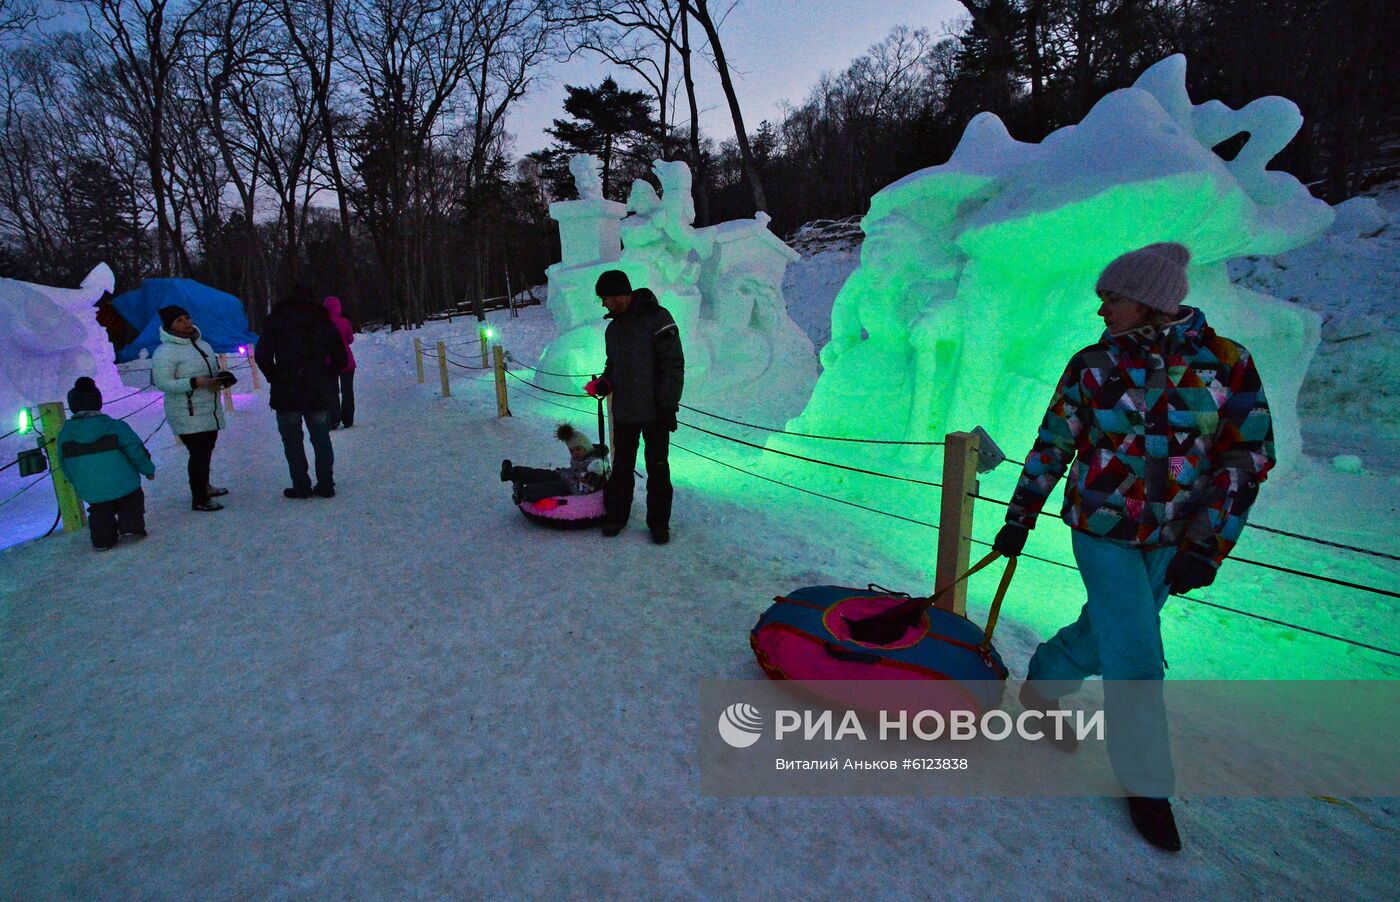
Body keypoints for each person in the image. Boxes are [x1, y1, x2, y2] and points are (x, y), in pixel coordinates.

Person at [992, 242, 1275, 852]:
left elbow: (1245, 458)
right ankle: (1147, 785)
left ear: (1149, 300)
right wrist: (1020, 516)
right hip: (1100, 529)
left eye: (1111, 299)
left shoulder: (1227, 364)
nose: (1102, 312)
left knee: (1113, 632)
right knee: (1138, 659)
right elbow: (1051, 444)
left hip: (1174, 538)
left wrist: (1209, 545)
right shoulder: (1093, 364)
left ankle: (1045, 679)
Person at [584, 272, 684, 544]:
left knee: (658, 468)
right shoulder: (613, 329)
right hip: (626, 412)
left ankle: (659, 524)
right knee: (621, 467)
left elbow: (673, 365)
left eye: (605, 298)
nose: (603, 304)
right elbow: (613, 366)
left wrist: (668, 405)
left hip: (655, 413)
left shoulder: (658, 318)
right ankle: (616, 516)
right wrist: (604, 383)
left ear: (619, 294)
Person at [255, 284, 348, 499]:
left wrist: (275, 376)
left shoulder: (276, 322)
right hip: (316, 388)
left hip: (286, 390)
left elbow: (262, 355)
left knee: (292, 441)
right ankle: (326, 484)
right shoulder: (323, 322)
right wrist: (325, 374)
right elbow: (340, 357)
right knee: (321, 438)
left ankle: (301, 485)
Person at [54, 377, 156, 550]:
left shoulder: (64, 436)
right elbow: (136, 451)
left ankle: (103, 539)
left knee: (100, 510)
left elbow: (65, 464)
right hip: (125, 483)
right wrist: (148, 469)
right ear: (98, 402)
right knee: (131, 501)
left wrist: (78, 483)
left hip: (92, 488)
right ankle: (131, 528)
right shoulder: (116, 427)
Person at [151, 305, 230, 511]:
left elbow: (211, 371)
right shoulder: (165, 352)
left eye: (187, 317)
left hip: (208, 408)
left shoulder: (203, 344)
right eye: (179, 320)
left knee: (206, 450)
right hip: (187, 411)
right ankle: (200, 498)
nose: (186, 323)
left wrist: (221, 377)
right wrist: (194, 382)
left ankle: (204, 486)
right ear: (169, 325)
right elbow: (162, 382)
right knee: (199, 453)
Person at [500, 423, 609, 503]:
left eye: (578, 449)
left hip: (575, 487)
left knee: (549, 487)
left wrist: (591, 478)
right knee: (543, 474)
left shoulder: (595, 461)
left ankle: (524, 494)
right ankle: (513, 473)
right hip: (567, 475)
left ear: (586, 447)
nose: (575, 453)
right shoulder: (581, 458)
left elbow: (600, 477)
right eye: (572, 451)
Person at [324, 295, 356, 429]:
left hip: (329, 362)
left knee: (332, 392)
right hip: (347, 361)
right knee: (347, 391)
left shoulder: (322, 324)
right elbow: (350, 340)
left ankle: (334, 419)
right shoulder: (345, 322)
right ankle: (348, 419)